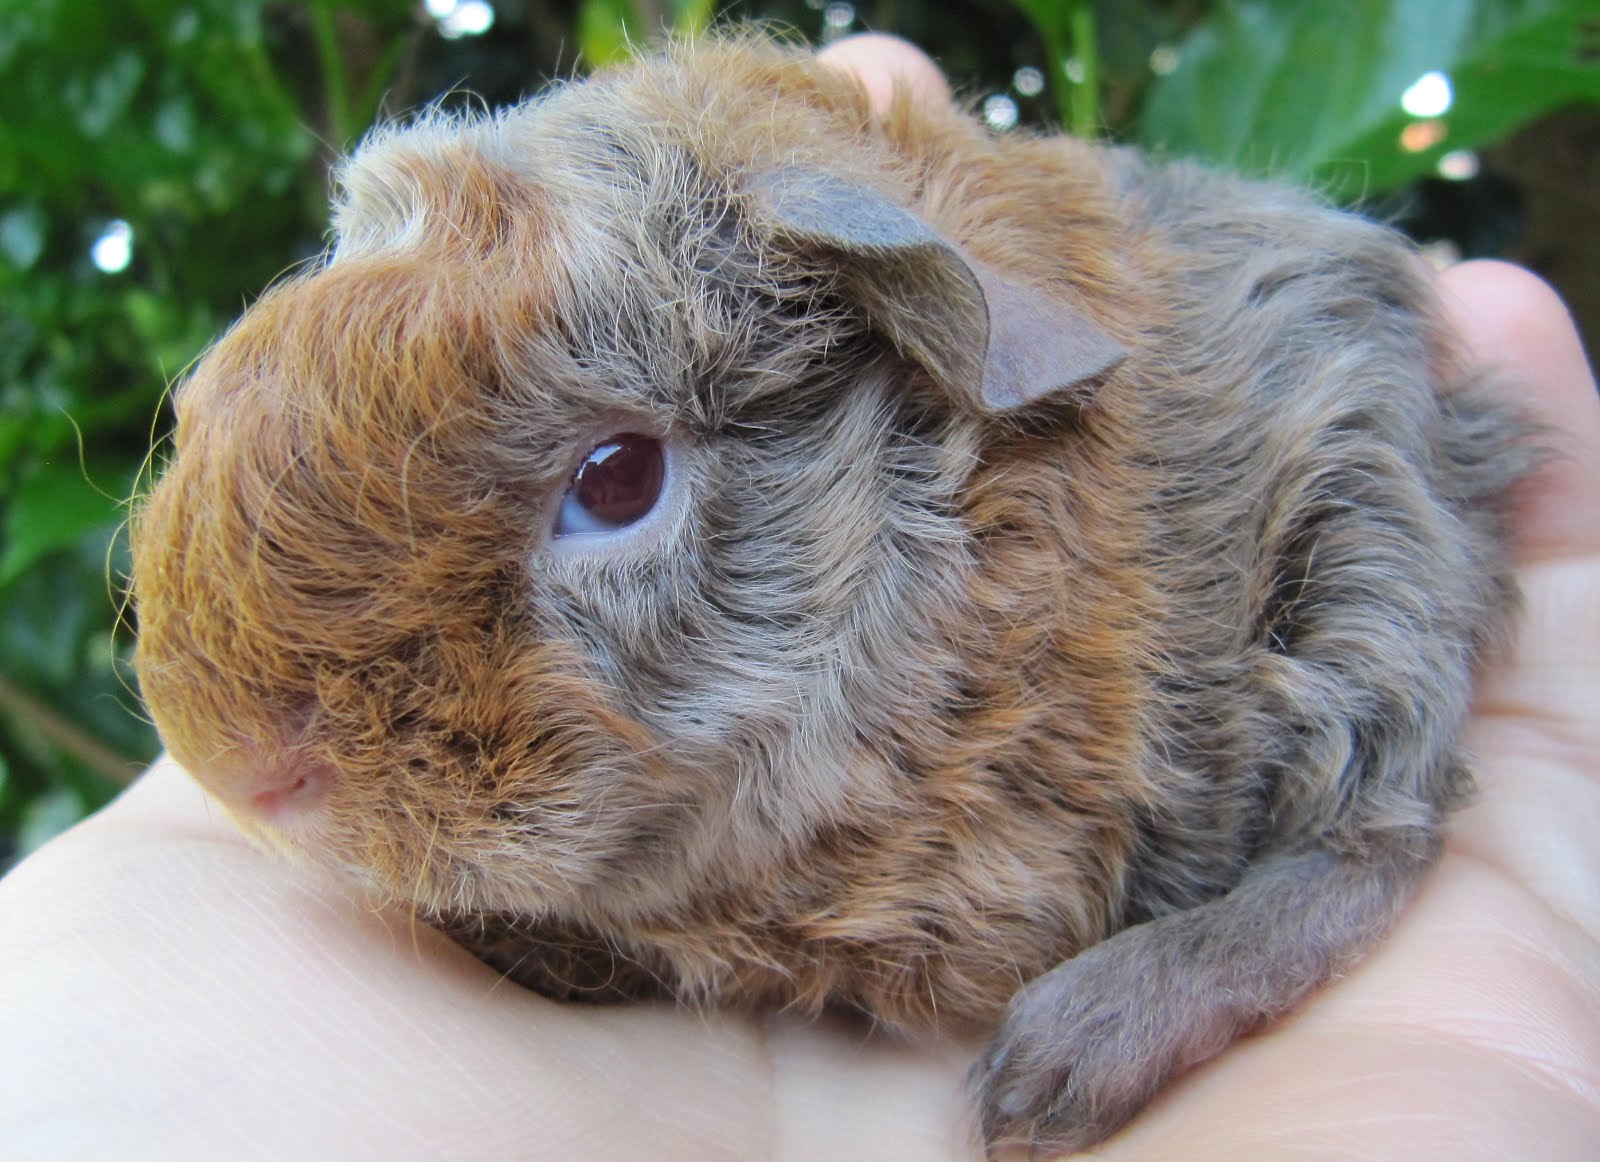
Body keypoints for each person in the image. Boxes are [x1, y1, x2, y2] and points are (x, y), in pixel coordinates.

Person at [3, 35, 1596, 1161]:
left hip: (1266, 509)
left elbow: (962, 932)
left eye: (614, 485)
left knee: (1365, 406)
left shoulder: (1038, 626)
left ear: (906, 363)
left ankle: (1333, 882)